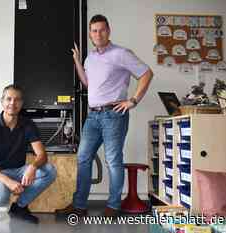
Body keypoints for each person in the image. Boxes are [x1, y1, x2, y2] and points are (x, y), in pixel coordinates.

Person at [56, 14, 153, 217]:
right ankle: (80, 206)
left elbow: (146, 73)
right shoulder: (90, 58)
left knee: (112, 161)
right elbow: (89, 84)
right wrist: (77, 61)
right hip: (93, 116)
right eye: (94, 31)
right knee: (83, 157)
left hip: (113, 116)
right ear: (90, 35)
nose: (97, 34)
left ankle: (114, 206)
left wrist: (133, 100)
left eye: (101, 30)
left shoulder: (121, 53)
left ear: (108, 31)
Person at [0, 84, 57, 224]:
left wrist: (32, 168)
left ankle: (19, 207)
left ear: (21, 103)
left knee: (49, 171)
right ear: (2, 101)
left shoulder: (28, 124)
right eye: (8, 99)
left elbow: (42, 155)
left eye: (17, 100)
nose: (12, 103)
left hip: (18, 171)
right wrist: (7, 181)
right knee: (1, 192)